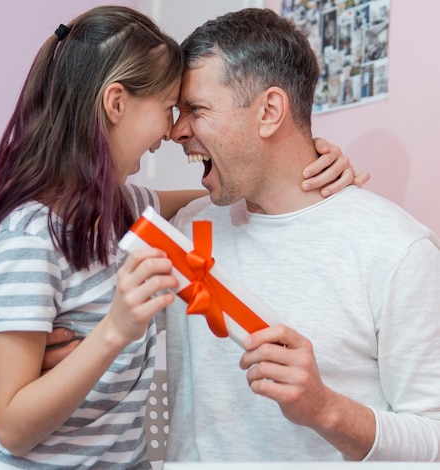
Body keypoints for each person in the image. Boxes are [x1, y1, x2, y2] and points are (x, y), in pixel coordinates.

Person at [0, 6, 365, 469]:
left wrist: (308, 164)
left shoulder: (128, 210)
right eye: (168, 108)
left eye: (189, 110)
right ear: (115, 103)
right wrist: (115, 330)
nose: (171, 132)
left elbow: (223, 190)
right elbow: (13, 429)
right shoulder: (32, 238)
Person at [164, 8, 440, 462]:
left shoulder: (397, 252)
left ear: (270, 111)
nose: (176, 130)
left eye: (195, 108)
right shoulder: (183, 231)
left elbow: (433, 435)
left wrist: (326, 409)